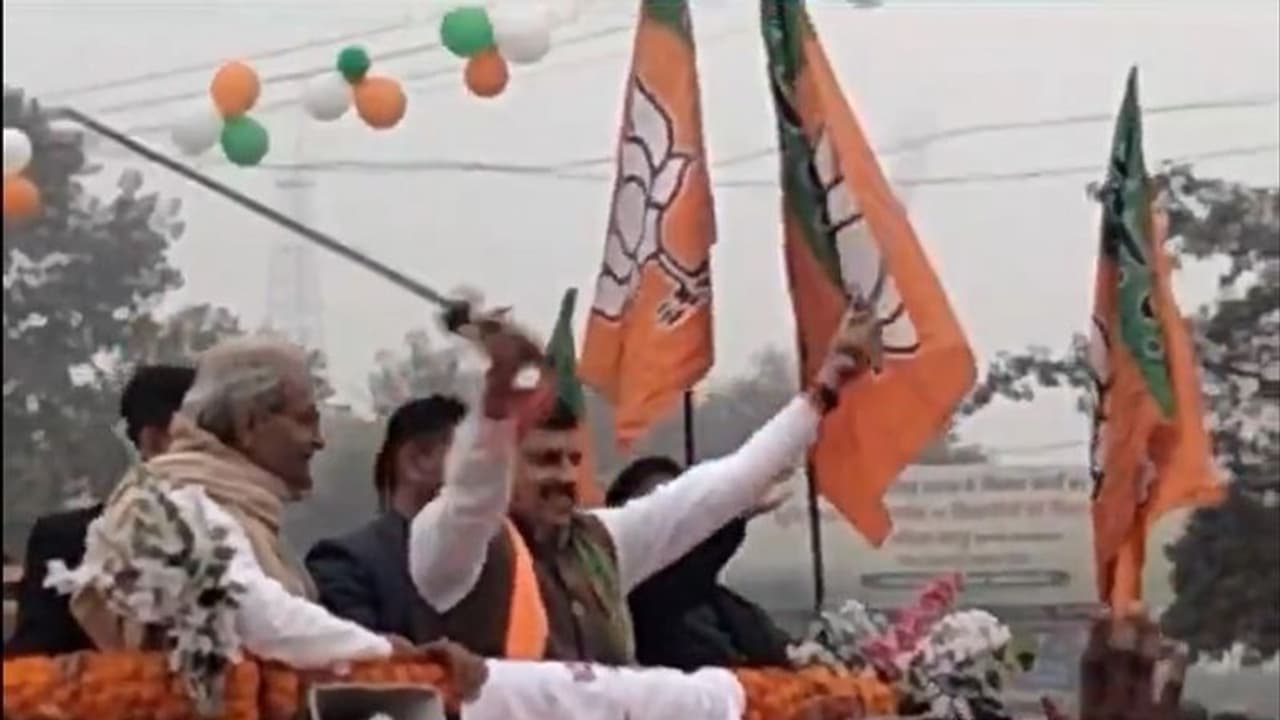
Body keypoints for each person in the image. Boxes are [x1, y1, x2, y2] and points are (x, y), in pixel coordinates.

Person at [408, 300, 883, 663]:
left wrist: (826, 387)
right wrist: (497, 412)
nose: (566, 476)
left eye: (573, 459)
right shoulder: (453, 547)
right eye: (546, 460)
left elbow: (725, 484)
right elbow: (472, 501)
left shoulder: (602, 542)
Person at [62, 337, 477, 675]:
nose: (320, 440)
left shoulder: (233, 506)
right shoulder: (178, 501)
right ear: (250, 424)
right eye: (305, 420)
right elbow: (248, 612)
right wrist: (386, 652)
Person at [5, 364, 195, 657]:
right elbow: (31, 665)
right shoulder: (67, 543)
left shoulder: (247, 534)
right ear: (155, 442)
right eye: (210, 441)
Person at [605, 455, 793, 671]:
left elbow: (775, 649)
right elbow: (671, 586)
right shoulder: (639, 607)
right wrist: (736, 511)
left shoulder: (726, 605)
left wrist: (795, 652)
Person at [306, 394, 467, 642]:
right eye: (475, 461)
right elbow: (361, 658)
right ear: (417, 461)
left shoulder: (507, 562)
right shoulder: (347, 565)